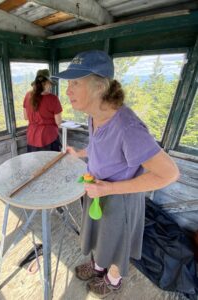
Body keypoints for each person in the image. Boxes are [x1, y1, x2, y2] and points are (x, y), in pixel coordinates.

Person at [52, 50, 180, 298]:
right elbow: (100, 146)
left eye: (75, 83)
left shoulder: (127, 126)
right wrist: (81, 153)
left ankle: (113, 279)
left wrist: (108, 189)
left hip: (119, 198)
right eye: (69, 83)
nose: (68, 90)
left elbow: (169, 174)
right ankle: (98, 265)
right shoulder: (95, 115)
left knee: (117, 241)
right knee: (100, 236)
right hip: (98, 189)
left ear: (99, 86)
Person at [23, 69, 62, 152]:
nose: (51, 86)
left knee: (35, 164)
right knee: (52, 163)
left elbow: (26, 117)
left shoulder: (28, 95)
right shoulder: (53, 99)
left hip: (32, 137)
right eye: (50, 84)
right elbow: (58, 122)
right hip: (49, 137)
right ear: (46, 83)